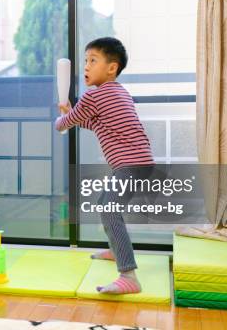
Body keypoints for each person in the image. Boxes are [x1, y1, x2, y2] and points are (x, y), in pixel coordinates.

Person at [55, 37, 154, 294]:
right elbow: (95, 123)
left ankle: (129, 276)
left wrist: (63, 116)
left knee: (108, 208)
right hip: (140, 164)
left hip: (130, 165)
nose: (86, 66)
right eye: (85, 61)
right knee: (106, 205)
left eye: (93, 60)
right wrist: (70, 114)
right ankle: (116, 250)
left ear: (112, 67)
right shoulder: (118, 92)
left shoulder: (95, 96)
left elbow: (67, 123)